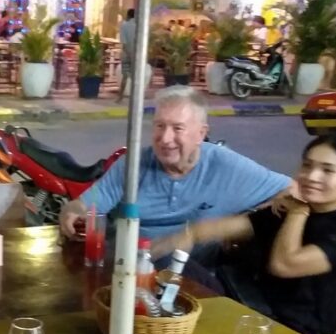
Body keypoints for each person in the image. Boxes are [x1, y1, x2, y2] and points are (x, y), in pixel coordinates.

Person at [153, 133, 336, 334]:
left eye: (327, 171)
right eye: (307, 165)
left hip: (290, 329)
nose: (311, 176)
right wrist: (181, 237)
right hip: (243, 301)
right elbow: (228, 227)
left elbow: (284, 264)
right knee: (164, 264)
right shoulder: (285, 209)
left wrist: (298, 211)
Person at [59, 86, 291, 242]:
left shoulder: (226, 165)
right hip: (129, 271)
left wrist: (245, 222)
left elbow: (292, 191)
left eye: (177, 128)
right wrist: (73, 212)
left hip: (197, 282)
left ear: (201, 134)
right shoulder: (132, 164)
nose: (165, 138)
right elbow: (85, 206)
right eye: (160, 126)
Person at [118, 8, 136, 101]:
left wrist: (128, 54)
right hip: (137, 55)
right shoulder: (139, 26)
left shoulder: (124, 26)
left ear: (128, 15)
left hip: (126, 54)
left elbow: (124, 43)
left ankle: (120, 97)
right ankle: (135, 97)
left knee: (125, 76)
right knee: (136, 77)